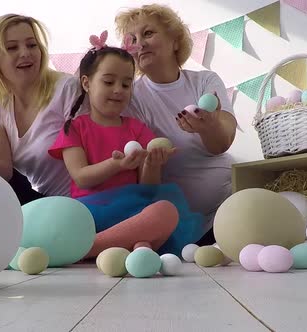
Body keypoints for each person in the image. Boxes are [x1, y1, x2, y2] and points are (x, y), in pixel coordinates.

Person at [48, 31, 204, 257]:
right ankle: (112, 246)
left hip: (133, 214)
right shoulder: (74, 128)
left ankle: (100, 249)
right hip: (90, 214)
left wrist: (152, 163)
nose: (118, 89)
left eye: (126, 83)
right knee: (62, 222)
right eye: (109, 81)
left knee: (166, 211)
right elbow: (81, 176)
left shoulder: (137, 129)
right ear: (86, 83)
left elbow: (149, 187)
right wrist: (116, 165)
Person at [115, 4, 238, 245]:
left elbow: (222, 144)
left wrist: (208, 126)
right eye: (132, 39)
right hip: (175, 227)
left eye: (148, 34)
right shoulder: (131, 97)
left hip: (224, 212)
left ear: (174, 41)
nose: (139, 44)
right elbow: (143, 179)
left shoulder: (205, 81)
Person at [0, 14, 82, 204]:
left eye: (32, 45)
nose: (25, 53)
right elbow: (5, 173)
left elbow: (95, 146)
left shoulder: (66, 88)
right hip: (44, 205)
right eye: (12, 48)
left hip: (83, 200)